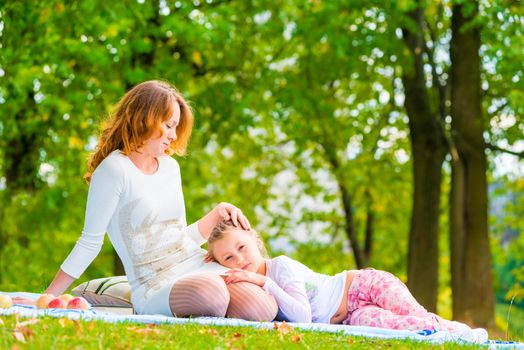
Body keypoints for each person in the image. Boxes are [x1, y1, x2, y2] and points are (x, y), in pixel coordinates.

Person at [14, 80, 277, 320]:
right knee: (212, 295)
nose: (174, 136)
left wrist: (215, 215)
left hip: (193, 264)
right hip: (155, 284)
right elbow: (89, 243)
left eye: (176, 127)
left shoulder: (171, 167)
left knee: (261, 307)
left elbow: (176, 240)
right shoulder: (113, 170)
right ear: (145, 119)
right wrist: (45, 297)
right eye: (168, 125)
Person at [206, 221, 489, 343]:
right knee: (404, 328)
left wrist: (263, 282)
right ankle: (456, 336)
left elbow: (302, 317)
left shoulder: (280, 267)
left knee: (413, 313)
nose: (239, 260)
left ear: (255, 240)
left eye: (241, 248)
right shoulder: (251, 288)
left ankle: (466, 334)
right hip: (348, 317)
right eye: (227, 258)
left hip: (362, 285)